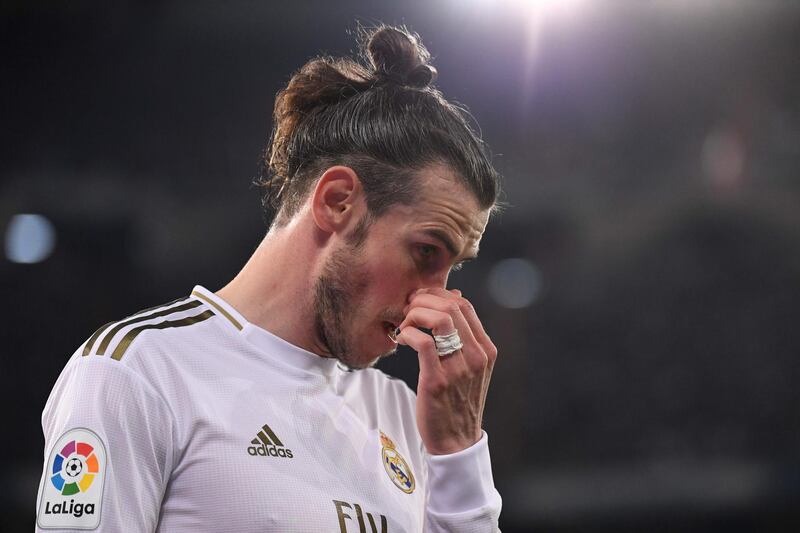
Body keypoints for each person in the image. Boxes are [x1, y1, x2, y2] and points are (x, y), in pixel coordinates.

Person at [36, 25, 502, 532]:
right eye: (426, 252)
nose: (434, 300)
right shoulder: (136, 373)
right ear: (336, 203)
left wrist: (459, 452)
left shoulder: (401, 415)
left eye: (453, 268)